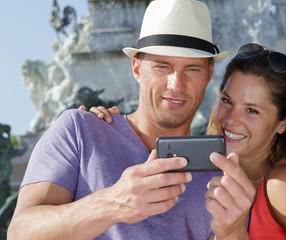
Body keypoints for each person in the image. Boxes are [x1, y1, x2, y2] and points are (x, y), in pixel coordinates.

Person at [7, 0, 236, 239]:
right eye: (162, 67)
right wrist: (112, 203)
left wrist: (235, 231)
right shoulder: (79, 130)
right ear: (136, 69)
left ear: (209, 74)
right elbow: (20, 233)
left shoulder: (221, 172)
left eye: (192, 69)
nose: (176, 85)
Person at [91, 43, 286, 239]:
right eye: (227, 101)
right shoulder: (217, 174)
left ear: (283, 123)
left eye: (252, 110)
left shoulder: (285, 184)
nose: (231, 120)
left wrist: (233, 233)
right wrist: (109, 125)